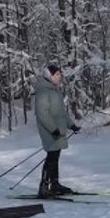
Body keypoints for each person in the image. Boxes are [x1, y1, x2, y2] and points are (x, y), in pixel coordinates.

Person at [34, 63, 81, 197]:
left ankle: (54, 184)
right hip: (49, 129)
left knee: (55, 156)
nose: (60, 76)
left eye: (60, 74)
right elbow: (42, 114)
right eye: (57, 74)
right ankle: (43, 186)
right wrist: (53, 130)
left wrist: (71, 125)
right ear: (49, 76)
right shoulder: (43, 91)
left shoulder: (55, 91)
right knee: (51, 157)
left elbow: (61, 113)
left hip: (57, 129)